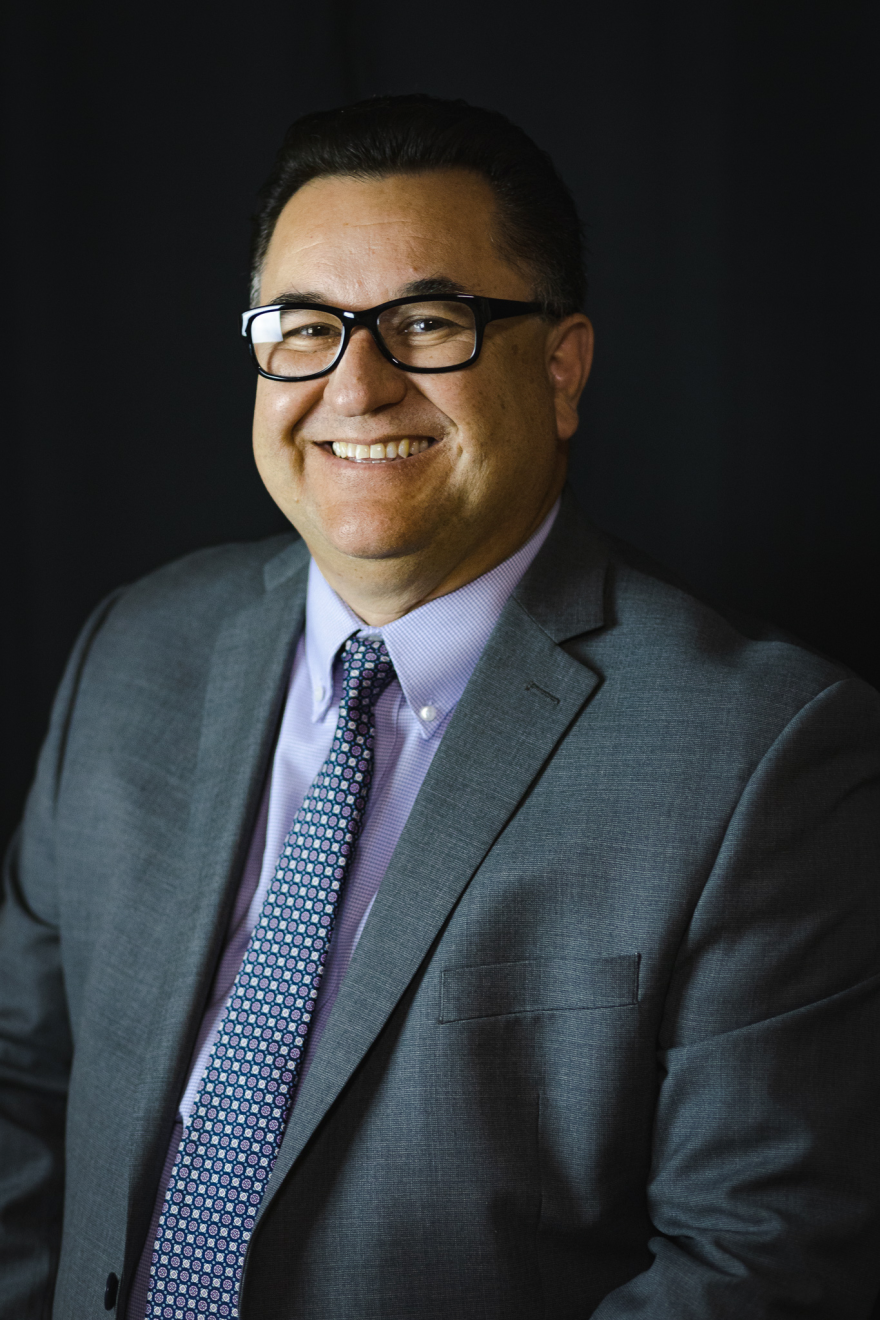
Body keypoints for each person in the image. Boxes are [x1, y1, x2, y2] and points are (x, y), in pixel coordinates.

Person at [1, 94, 879, 1320]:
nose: (355, 388)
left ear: (562, 367)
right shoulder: (136, 651)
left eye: (426, 322)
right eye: (303, 327)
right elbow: (18, 1084)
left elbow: (761, 1268)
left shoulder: (763, 757)